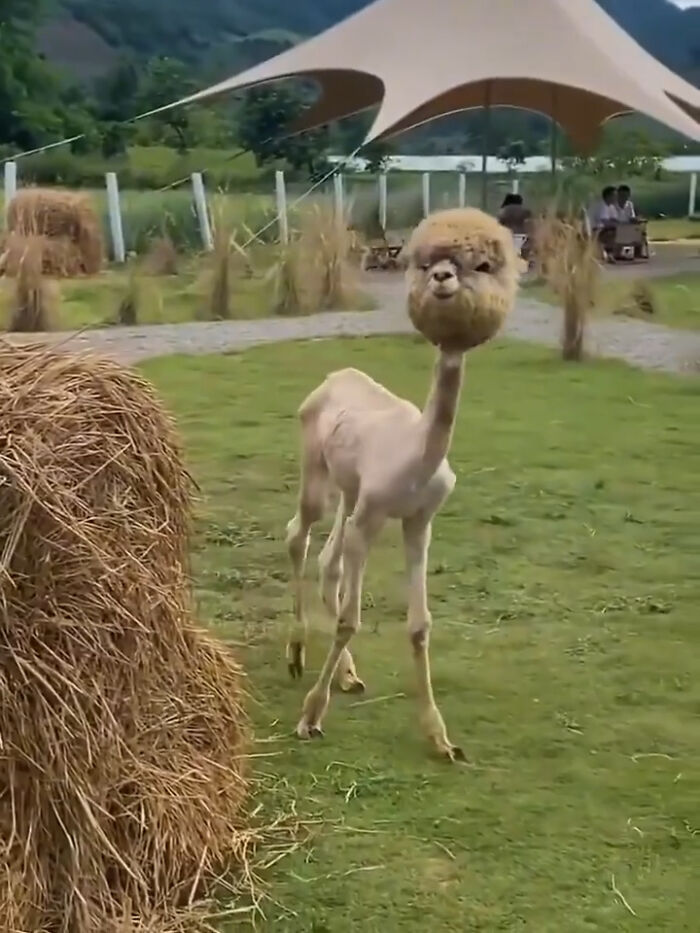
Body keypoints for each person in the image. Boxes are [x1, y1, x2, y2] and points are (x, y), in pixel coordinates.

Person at [588, 186, 619, 261]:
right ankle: (609, 253)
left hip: (601, 228)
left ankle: (611, 253)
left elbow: (614, 219)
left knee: (615, 229)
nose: (616, 198)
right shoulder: (601, 205)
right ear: (608, 196)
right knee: (612, 231)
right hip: (593, 229)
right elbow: (605, 222)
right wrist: (616, 224)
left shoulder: (611, 207)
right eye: (614, 196)